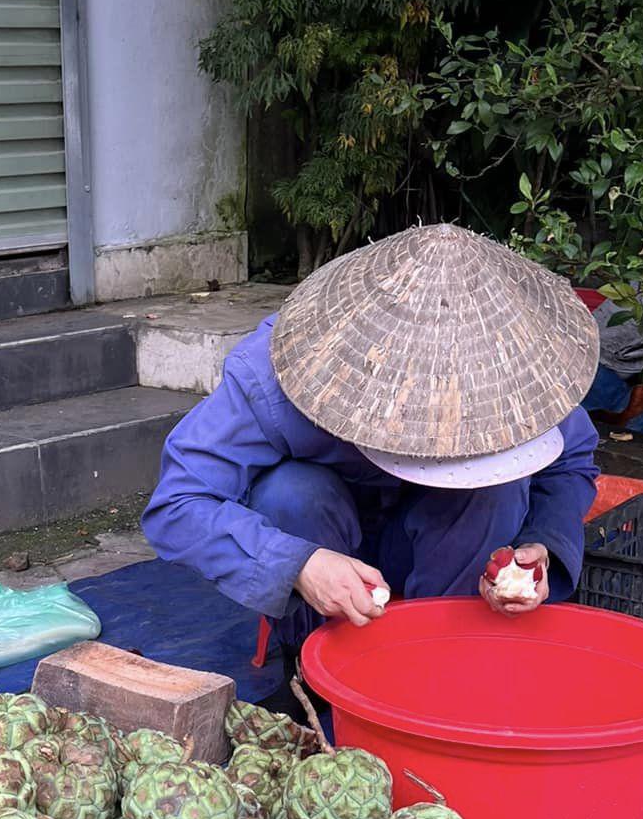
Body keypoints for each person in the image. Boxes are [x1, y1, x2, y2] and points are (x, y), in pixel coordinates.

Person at [142, 225, 602, 684]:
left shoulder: (519, 369)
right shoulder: (276, 374)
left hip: (447, 547)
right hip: (326, 534)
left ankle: (444, 670)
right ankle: (319, 671)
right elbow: (177, 504)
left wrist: (540, 546)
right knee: (292, 493)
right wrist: (297, 565)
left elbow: (570, 461)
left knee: (495, 489)